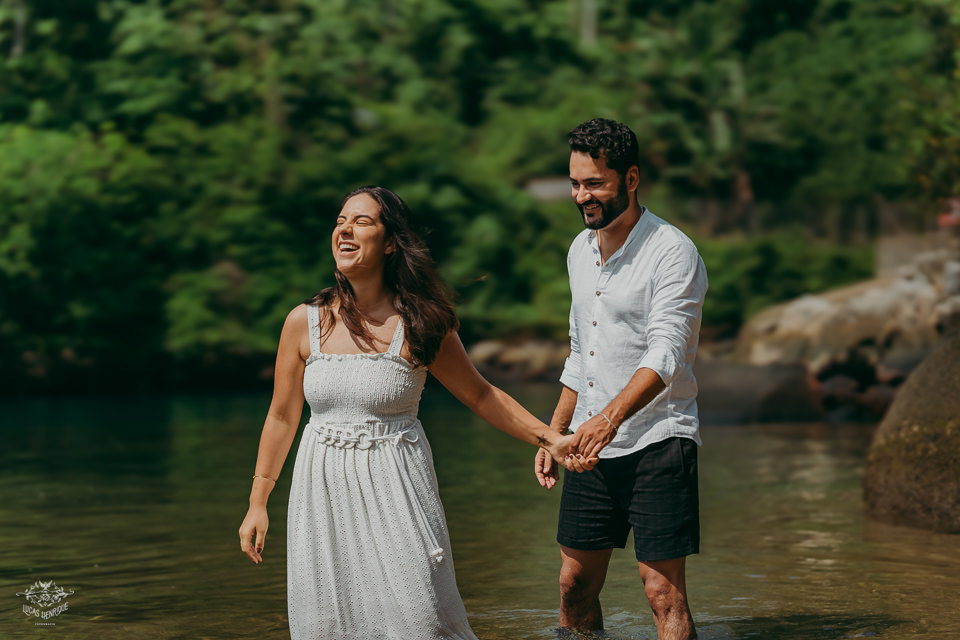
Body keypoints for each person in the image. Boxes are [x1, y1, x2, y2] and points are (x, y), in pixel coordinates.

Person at [238, 185, 587, 640]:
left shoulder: (422, 322)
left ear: (389, 243)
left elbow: (480, 395)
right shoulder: (304, 322)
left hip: (397, 490)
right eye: (340, 221)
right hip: (320, 493)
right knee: (330, 620)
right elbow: (282, 417)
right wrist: (257, 503)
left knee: (418, 619)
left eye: (362, 221)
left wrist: (550, 439)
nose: (345, 229)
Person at [534, 118, 708, 640]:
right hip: (589, 443)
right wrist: (555, 432)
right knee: (573, 585)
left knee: (661, 593)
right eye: (575, 183)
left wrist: (611, 417)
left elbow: (668, 353)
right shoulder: (578, 251)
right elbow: (580, 351)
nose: (581, 196)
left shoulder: (672, 251)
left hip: (660, 439)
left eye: (595, 184)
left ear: (630, 179)